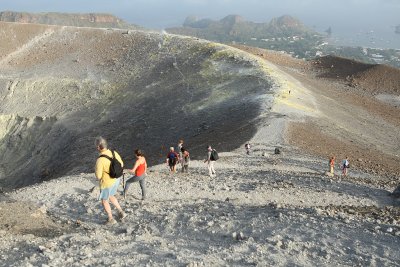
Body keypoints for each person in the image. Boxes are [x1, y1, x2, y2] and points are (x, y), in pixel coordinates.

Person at [94, 137, 126, 225]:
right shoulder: (113, 152)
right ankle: (121, 212)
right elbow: (122, 164)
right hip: (116, 179)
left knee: (104, 200)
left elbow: (98, 176)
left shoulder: (100, 160)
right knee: (111, 195)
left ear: (98, 147)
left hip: (107, 183)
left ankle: (111, 219)